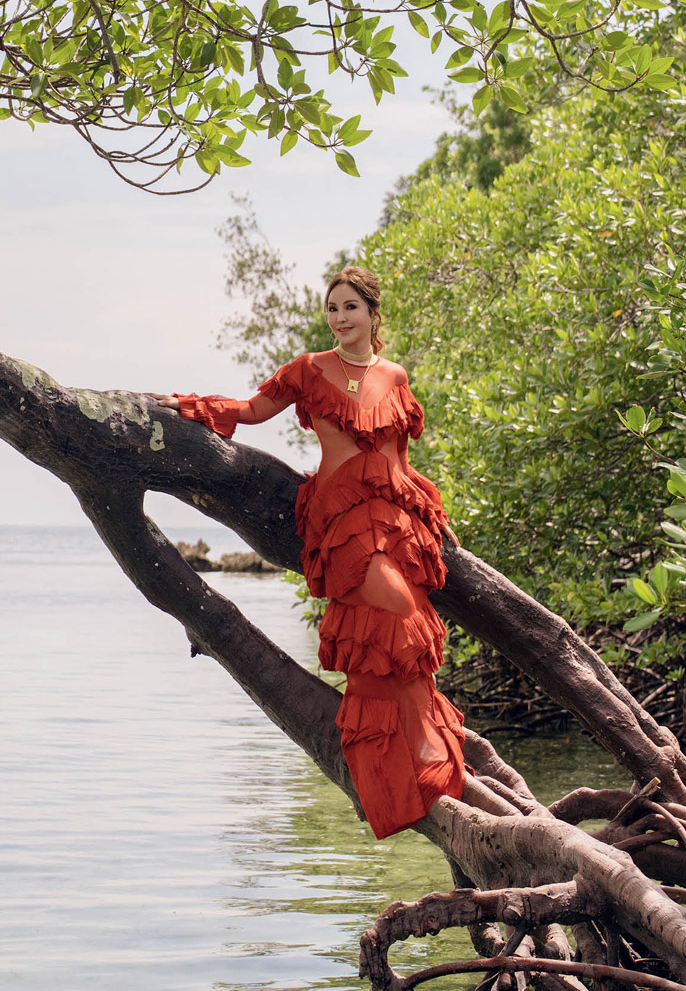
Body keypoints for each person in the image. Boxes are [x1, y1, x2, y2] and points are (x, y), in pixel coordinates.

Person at [159, 267, 465, 839]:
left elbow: (398, 457)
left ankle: (419, 759)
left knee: (404, 635)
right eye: (332, 308)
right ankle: (410, 754)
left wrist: (429, 516)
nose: (340, 318)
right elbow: (251, 411)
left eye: (351, 307)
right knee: (397, 617)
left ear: (374, 315)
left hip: (395, 519)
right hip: (342, 518)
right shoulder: (309, 369)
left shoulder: (394, 376)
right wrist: (188, 406)